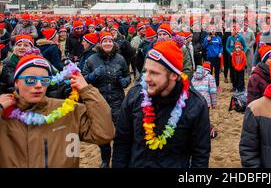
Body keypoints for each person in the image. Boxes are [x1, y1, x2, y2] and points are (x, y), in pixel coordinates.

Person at [0, 54, 115, 167]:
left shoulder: (69, 110)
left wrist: (87, 91)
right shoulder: (4, 113)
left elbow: (104, 134)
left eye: (45, 80)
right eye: (31, 80)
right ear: (16, 83)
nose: (39, 85)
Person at [112, 40, 211, 168]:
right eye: (146, 71)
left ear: (174, 75)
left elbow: (200, 155)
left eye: (154, 73)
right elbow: (121, 142)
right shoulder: (134, 96)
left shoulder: (195, 105)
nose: (146, 78)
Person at [82, 31, 130, 168]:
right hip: (99, 101)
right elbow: (83, 78)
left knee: (120, 132)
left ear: (113, 43)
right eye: (105, 41)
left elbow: (127, 76)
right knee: (102, 132)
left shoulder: (120, 59)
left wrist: (124, 82)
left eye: (110, 41)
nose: (107, 43)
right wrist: (92, 76)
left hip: (117, 100)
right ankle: (105, 159)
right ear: (100, 44)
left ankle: (119, 160)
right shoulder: (91, 59)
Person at [191, 62, 218, 138]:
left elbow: (191, 89)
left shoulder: (193, 77)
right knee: (205, 117)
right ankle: (207, 132)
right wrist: (214, 103)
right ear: (209, 70)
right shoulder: (210, 77)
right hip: (205, 101)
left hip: (195, 101)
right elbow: (213, 91)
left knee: (197, 117)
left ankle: (196, 132)